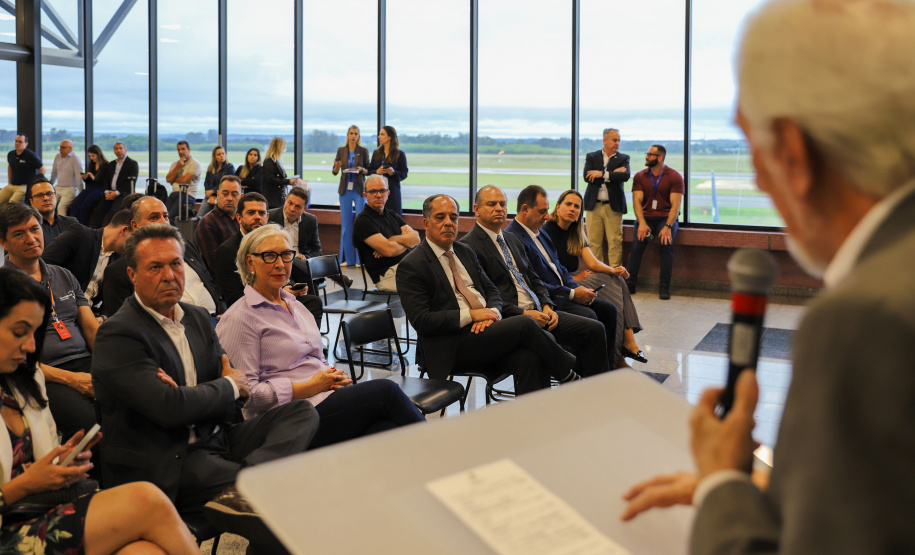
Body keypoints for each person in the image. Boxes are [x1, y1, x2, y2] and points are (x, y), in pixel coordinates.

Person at [620, 1, 915, 553]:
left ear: (795, 154)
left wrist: (722, 485)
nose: (757, 176)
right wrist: (778, 491)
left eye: (755, 144)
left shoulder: (865, 320)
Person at [91, 224, 319, 543]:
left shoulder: (197, 318)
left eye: (176, 263)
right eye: (155, 267)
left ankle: (247, 483)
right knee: (287, 498)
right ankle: (250, 486)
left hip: (216, 437)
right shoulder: (119, 333)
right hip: (168, 459)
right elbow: (170, 409)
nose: (170, 275)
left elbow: (240, 393)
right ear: (132, 274)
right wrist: (221, 389)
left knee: (301, 412)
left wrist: (197, 395)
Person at [0, 267, 199, 554]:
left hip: (37, 510)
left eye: (35, 332)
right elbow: (24, 481)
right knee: (146, 499)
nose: (31, 345)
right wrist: (26, 484)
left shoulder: (25, 377)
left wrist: (60, 464)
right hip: (10, 528)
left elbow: (39, 457)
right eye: (20, 332)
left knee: (144, 551)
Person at [216, 224, 425, 447]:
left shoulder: (295, 306)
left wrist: (333, 376)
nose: (280, 264)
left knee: (386, 431)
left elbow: (316, 360)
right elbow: (248, 396)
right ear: (250, 263)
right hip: (289, 419)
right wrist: (312, 386)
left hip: (325, 400)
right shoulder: (241, 317)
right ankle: (446, 455)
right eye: (269, 256)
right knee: (387, 391)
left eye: (286, 255)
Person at [397, 194, 580, 395]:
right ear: (426, 223)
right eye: (440, 217)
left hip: (486, 331)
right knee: (525, 323)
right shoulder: (412, 264)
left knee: (530, 357)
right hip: (450, 344)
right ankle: (567, 373)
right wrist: (473, 315)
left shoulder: (464, 251)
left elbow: (492, 290)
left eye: (453, 217)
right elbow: (422, 321)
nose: (448, 223)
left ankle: (534, 420)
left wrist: (492, 312)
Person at [461, 185, 612, 377]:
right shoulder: (468, 246)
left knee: (595, 329)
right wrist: (525, 313)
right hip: (514, 317)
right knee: (538, 348)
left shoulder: (511, 239)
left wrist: (547, 305)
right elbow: (486, 298)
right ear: (476, 209)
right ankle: (570, 375)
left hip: (540, 310)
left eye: (502, 204)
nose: (499, 208)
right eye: (492, 204)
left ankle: (598, 390)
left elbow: (534, 279)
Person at [0, 203, 98, 451]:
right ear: (3, 243)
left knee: (128, 403)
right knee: (89, 422)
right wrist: (72, 380)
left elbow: (92, 330)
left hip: (85, 361)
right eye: (19, 234)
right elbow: (13, 355)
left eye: (34, 229)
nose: (31, 238)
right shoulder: (5, 287)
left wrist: (111, 366)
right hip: (42, 372)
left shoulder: (63, 275)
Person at [505, 185, 619, 367]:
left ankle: (607, 368)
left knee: (609, 310)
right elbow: (531, 283)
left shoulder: (539, 233)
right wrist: (571, 294)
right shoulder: (513, 237)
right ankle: (582, 374)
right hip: (549, 299)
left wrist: (576, 288)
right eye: (542, 211)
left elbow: (559, 269)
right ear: (525, 210)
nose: (546, 217)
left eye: (546, 211)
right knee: (590, 317)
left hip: (564, 291)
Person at [543, 189, 646, 365]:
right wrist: (575, 279)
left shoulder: (575, 232)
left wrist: (613, 269)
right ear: (557, 207)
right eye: (568, 204)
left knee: (616, 279)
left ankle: (622, 349)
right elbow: (548, 271)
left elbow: (593, 263)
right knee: (613, 284)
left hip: (573, 278)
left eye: (577, 207)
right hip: (563, 283)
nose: (572, 209)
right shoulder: (546, 232)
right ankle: (625, 348)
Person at [102, 196, 225, 318]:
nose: (163, 222)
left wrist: (224, 313)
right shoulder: (118, 271)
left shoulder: (187, 248)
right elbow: (124, 323)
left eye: (165, 216)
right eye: (154, 217)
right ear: (135, 225)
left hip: (216, 319)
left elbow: (211, 285)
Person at [215, 193, 323, 322]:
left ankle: (306, 341)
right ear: (239, 218)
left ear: (267, 217)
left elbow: (287, 273)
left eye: (261, 213)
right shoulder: (227, 250)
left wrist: (294, 288)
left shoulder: (273, 242)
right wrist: (280, 292)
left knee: (313, 303)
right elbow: (234, 298)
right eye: (251, 213)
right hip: (252, 308)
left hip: (281, 298)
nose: (257, 217)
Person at [623, 145, 684, 300]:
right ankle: (630, 284)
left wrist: (668, 226)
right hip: (646, 217)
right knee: (636, 246)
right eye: (647, 154)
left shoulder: (675, 177)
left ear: (660, 157)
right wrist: (642, 223)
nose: (646, 157)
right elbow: (636, 201)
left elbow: (676, 206)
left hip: (666, 217)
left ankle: (664, 287)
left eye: (650, 154)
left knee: (666, 245)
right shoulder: (640, 176)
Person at [43, 209, 132, 306]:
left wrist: (103, 317)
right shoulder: (80, 235)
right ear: (124, 230)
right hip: (62, 309)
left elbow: (111, 297)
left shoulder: (118, 258)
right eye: (134, 238)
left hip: (92, 313)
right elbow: (43, 265)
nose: (135, 245)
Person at [352, 175, 420, 292]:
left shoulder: (392, 215)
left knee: (439, 274)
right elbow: (389, 250)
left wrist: (392, 239)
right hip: (387, 276)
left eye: (382, 191)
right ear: (365, 195)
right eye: (373, 191)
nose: (378, 195)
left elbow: (415, 239)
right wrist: (404, 241)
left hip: (406, 267)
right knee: (431, 284)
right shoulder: (363, 221)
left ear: (388, 194)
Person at [582, 128, 631, 266]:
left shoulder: (623, 158)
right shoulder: (592, 156)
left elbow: (625, 176)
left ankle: (615, 276)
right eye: (615, 140)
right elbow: (587, 177)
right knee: (594, 243)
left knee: (615, 242)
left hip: (613, 206)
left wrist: (601, 174)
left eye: (619, 141)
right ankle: (597, 276)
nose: (617, 143)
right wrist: (611, 174)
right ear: (605, 140)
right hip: (594, 206)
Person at [333, 125, 370, 266]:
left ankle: (361, 260)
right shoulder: (341, 150)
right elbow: (335, 171)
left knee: (360, 224)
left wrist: (361, 170)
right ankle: (349, 260)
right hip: (345, 191)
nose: (353, 136)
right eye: (351, 133)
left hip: (359, 190)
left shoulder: (363, 151)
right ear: (347, 135)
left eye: (356, 133)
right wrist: (337, 166)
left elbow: (369, 170)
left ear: (359, 136)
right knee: (346, 226)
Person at [194, 175, 242, 271]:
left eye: (234, 194)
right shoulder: (207, 223)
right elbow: (215, 267)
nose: (230, 198)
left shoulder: (243, 219)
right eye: (225, 194)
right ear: (218, 195)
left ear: (241, 197)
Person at [89, 142, 138, 229]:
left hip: (123, 194)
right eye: (116, 148)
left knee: (114, 211)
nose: (118, 150)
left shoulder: (132, 164)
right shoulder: (111, 164)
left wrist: (117, 193)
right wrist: (107, 191)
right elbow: (106, 180)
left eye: (120, 148)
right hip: (110, 193)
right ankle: (95, 232)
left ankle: (110, 232)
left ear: (125, 150)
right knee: (98, 211)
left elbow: (130, 183)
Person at [367, 126, 408, 216]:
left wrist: (393, 172)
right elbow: (369, 171)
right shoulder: (376, 153)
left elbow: (404, 173)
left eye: (382, 134)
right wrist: (377, 172)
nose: (379, 137)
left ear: (389, 137)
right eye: (379, 134)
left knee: (393, 219)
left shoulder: (400, 154)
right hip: (377, 192)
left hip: (392, 192)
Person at [29, 178, 78, 248]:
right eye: (39, 195)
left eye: (49, 194)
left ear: (55, 197)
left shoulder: (71, 223)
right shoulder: (28, 228)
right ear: (31, 202)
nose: (46, 198)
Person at [262, 137, 307, 209]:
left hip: (278, 198)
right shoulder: (269, 161)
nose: (284, 150)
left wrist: (289, 181)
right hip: (272, 198)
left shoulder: (276, 161)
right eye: (283, 147)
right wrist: (287, 181)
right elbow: (270, 179)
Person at [1, 134, 44, 205]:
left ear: (26, 144)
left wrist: (37, 185)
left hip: (24, 187)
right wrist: (9, 182)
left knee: (11, 203)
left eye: (20, 142)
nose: (17, 143)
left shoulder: (31, 155)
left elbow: (42, 169)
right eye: (16, 141)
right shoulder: (11, 154)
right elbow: (10, 167)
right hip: (12, 185)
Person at [164, 141, 202, 221]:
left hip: (188, 194)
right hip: (174, 194)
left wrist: (173, 179)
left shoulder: (195, 164)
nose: (180, 152)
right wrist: (178, 166)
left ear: (189, 149)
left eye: (183, 149)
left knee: (171, 216)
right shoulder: (175, 164)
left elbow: (184, 180)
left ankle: (174, 232)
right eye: (178, 150)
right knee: (164, 215)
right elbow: (168, 179)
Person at [70, 144, 108, 226]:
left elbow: (105, 182)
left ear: (98, 154)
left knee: (85, 206)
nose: (92, 158)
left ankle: (83, 226)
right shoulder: (91, 164)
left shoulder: (106, 166)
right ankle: (74, 225)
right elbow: (89, 182)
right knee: (75, 203)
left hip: (99, 189)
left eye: (93, 156)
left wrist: (94, 178)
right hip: (90, 188)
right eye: (90, 156)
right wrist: (85, 178)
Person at [197, 145, 236, 219]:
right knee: (200, 217)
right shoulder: (211, 167)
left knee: (215, 218)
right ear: (214, 156)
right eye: (219, 154)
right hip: (210, 196)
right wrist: (210, 195)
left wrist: (213, 191)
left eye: (223, 153)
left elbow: (228, 185)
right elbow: (206, 183)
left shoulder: (229, 167)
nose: (222, 156)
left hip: (222, 196)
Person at [49, 140, 83, 216]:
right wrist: (49, 186)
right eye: (60, 147)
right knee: (49, 204)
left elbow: (79, 176)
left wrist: (81, 193)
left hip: (70, 189)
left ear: (70, 148)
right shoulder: (57, 156)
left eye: (63, 147)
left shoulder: (75, 157)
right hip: (58, 188)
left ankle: (62, 227)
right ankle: (48, 225)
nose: (60, 149)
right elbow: (54, 173)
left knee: (61, 206)